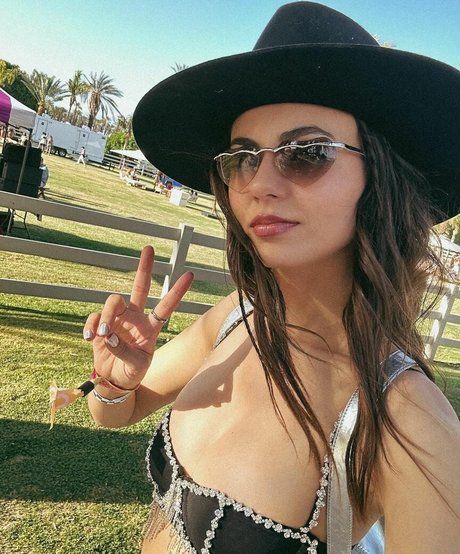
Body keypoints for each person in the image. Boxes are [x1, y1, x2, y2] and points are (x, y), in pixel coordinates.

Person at [83, 3, 460, 553]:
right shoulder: (237, 317)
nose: (259, 183)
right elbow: (113, 412)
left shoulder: (409, 422)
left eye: (306, 153)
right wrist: (117, 381)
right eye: (242, 158)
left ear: (379, 176)